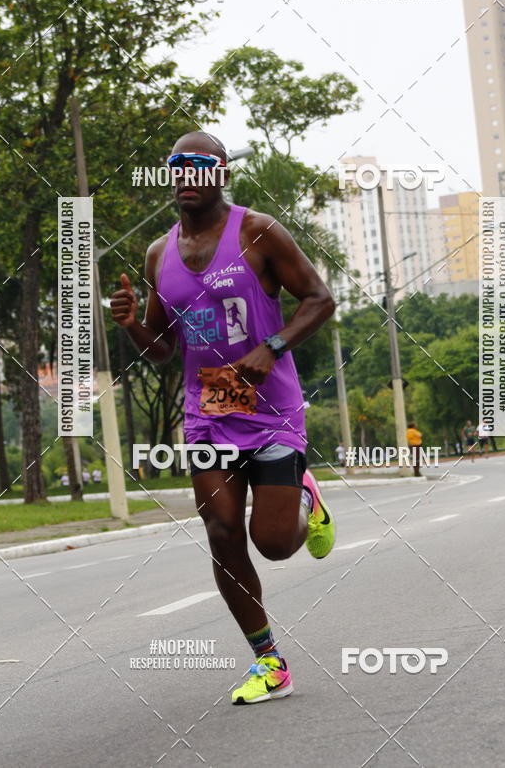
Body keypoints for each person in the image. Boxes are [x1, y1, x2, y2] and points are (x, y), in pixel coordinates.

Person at [111, 131, 336, 706]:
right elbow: (163, 349)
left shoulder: (258, 231)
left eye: (197, 165)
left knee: (275, 544)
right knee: (222, 532)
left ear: (221, 173)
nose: (185, 175)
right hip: (211, 403)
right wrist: (135, 324)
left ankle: (305, 498)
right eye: (174, 166)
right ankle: (270, 662)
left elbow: (319, 299)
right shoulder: (159, 254)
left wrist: (273, 348)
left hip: (269, 402)